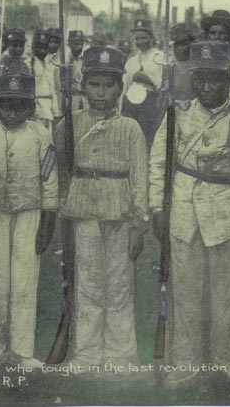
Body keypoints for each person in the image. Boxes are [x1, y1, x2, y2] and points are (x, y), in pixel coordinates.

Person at [149, 41, 230, 385]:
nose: (206, 87)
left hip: (226, 217)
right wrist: (157, 207)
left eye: (215, 80)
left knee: (226, 296)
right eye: (200, 79)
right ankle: (186, 362)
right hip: (184, 213)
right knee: (184, 293)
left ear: (228, 80)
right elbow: (159, 163)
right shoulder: (178, 114)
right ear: (193, 79)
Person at [54, 46, 149, 375]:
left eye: (108, 85)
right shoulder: (69, 124)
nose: (101, 92)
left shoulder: (130, 128)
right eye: (94, 84)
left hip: (120, 212)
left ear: (120, 89)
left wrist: (139, 222)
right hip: (84, 210)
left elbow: (140, 178)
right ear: (83, 86)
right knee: (88, 283)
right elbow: (62, 173)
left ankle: (121, 354)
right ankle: (87, 353)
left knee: (119, 284)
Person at [0, 73, 59, 369]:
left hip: (29, 213)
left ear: (31, 108)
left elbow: (50, 180)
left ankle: (21, 351)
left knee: (24, 281)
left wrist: (48, 219)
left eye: (20, 106)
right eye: (6, 105)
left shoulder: (41, 135)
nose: (12, 112)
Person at [121, 19, 164, 149]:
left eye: (144, 38)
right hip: (131, 103)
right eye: (138, 38)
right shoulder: (132, 60)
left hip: (149, 103)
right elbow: (124, 86)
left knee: (147, 137)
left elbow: (162, 83)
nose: (141, 41)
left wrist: (146, 79)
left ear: (151, 38)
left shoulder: (159, 56)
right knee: (130, 135)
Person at [26, 29, 59, 129]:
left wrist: (55, 109)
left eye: (45, 47)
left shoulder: (49, 63)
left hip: (49, 107)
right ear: (34, 46)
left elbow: (52, 88)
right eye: (39, 47)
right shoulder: (29, 64)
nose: (42, 51)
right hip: (37, 107)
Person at [169, 22, 199, 102]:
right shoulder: (168, 63)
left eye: (183, 44)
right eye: (176, 44)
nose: (179, 48)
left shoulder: (197, 65)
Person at [67, 30, 87, 110]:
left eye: (81, 44)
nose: (80, 47)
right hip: (71, 98)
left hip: (83, 99)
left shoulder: (83, 60)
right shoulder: (66, 60)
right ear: (69, 44)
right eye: (76, 44)